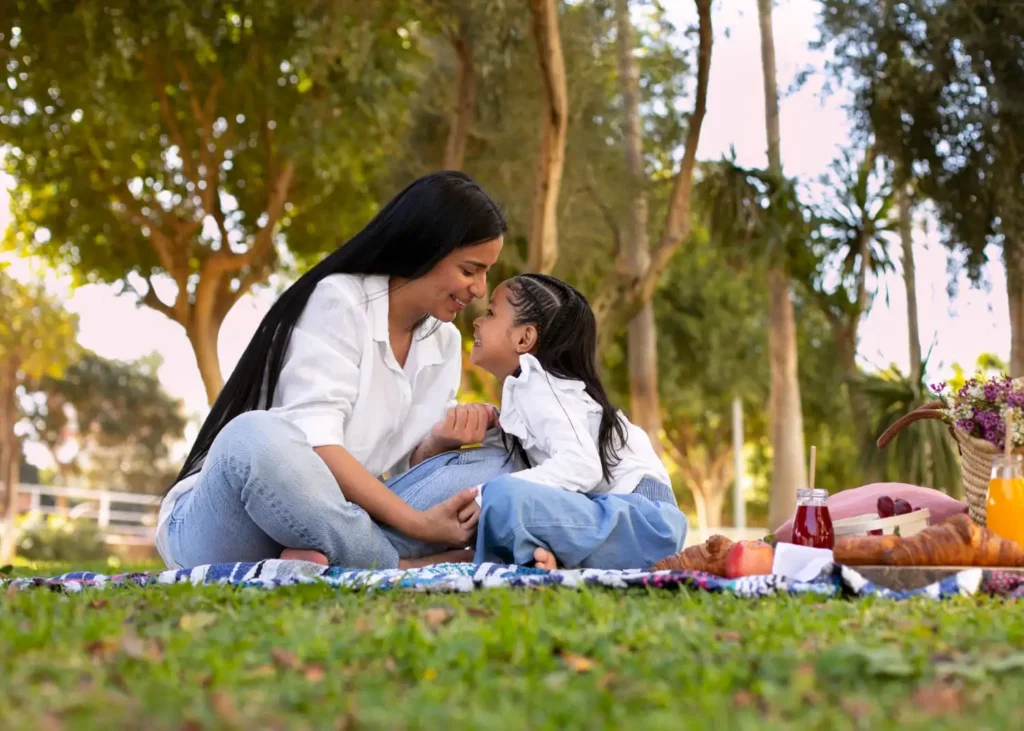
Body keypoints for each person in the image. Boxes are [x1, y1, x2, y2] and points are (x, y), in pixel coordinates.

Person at [156, 171, 512, 570]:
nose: (480, 289)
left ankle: (322, 559)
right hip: (232, 522)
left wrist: (436, 447)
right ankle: (391, 564)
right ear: (427, 248)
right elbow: (318, 446)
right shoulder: (339, 300)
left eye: (485, 273)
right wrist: (420, 525)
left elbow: (400, 473)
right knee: (253, 437)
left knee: (501, 457)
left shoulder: (443, 342)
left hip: (336, 520)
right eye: (470, 270)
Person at [468, 273, 688, 570]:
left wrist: (483, 495)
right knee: (506, 498)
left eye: (491, 313)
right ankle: (548, 561)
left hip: (643, 520)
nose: (477, 322)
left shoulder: (539, 383)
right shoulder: (530, 392)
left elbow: (581, 466)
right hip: (633, 525)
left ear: (524, 338)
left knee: (501, 496)